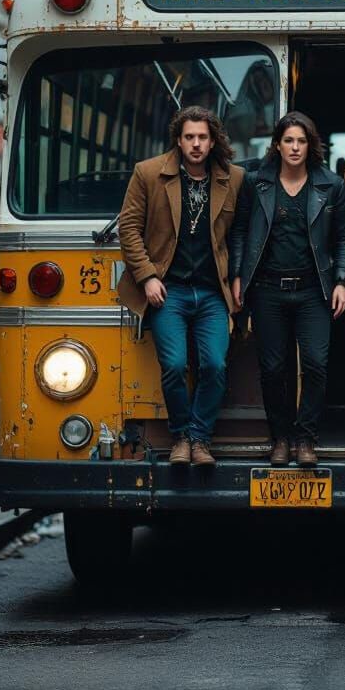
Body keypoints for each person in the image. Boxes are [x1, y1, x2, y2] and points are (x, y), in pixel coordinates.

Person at [118, 106, 245, 467]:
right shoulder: (148, 173)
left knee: (215, 365)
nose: (196, 144)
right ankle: (181, 436)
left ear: (212, 140)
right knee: (174, 365)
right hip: (167, 292)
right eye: (189, 137)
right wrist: (147, 276)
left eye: (202, 137)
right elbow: (129, 229)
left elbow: (238, 233)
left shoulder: (232, 178)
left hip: (211, 293)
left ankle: (199, 439)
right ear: (178, 139)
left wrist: (236, 277)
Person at [231, 112, 345, 467]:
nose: (295, 147)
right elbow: (240, 231)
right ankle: (280, 437)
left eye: (301, 141)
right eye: (289, 141)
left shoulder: (332, 185)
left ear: (310, 145)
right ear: (278, 145)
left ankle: (306, 439)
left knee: (316, 364)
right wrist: (239, 276)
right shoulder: (256, 184)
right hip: (267, 289)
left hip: (314, 290)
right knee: (273, 368)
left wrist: (342, 281)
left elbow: (344, 238)